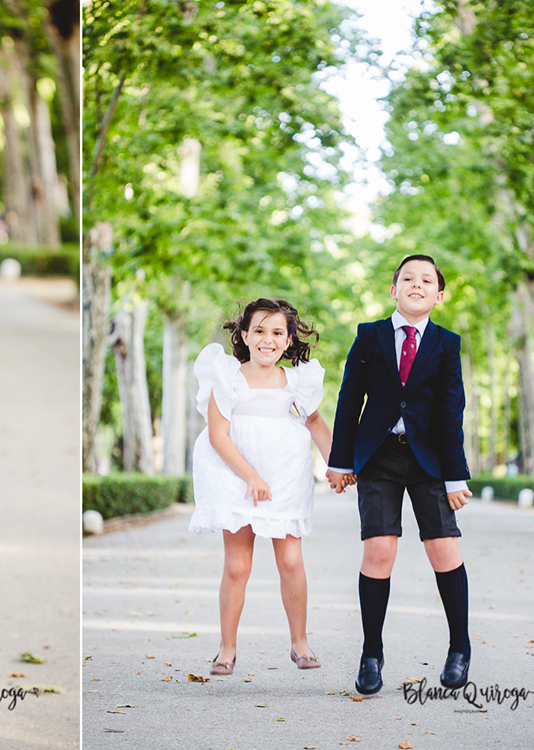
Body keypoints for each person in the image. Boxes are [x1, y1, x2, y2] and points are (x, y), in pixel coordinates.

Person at [326, 254, 472, 696]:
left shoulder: (446, 343)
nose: (416, 284)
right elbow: (350, 396)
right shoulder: (369, 336)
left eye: (427, 280)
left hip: (430, 461)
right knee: (379, 550)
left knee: (443, 548)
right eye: (407, 277)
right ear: (394, 290)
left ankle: (459, 648)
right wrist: (339, 460)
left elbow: (451, 411)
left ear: (438, 296)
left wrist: (455, 476)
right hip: (379, 456)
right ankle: (372, 654)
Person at [190, 298, 332, 675]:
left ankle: (300, 643)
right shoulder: (227, 377)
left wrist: (337, 466)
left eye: (276, 333)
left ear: (287, 341)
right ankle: (227, 647)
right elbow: (219, 436)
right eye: (259, 331)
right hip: (235, 473)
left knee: (289, 559)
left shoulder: (296, 382)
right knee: (237, 565)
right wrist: (250, 476)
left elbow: (315, 423)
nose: (267, 340)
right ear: (244, 335)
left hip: (284, 474)